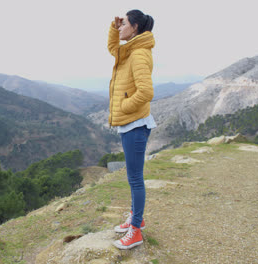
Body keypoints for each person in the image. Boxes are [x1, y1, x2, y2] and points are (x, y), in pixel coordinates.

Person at [107, 9, 156, 250]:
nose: (120, 27)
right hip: (132, 124)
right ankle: (138, 218)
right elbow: (112, 49)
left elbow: (146, 92)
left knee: (135, 179)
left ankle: (136, 230)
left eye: (123, 23)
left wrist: (125, 105)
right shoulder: (129, 51)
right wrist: (112, 26)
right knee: (133, 177)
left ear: (135, 27)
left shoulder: (137, 54)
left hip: (135, 124)